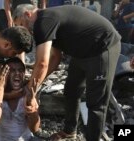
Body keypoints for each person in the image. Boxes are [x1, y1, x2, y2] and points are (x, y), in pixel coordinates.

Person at [13, 4, 121, 141]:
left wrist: (31, 88)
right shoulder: (47, 21)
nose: (24, 30)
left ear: (28, 14)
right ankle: (70, 131)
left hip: (102, 47)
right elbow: (55, 58)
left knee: (96, 102)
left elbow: (42, 63)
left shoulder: (43, 21)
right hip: (81, 53)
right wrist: (37, 81)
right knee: (71, 91)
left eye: (22, 24)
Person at [0, 57, 40, 141]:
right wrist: (0, 87)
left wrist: (32, 111)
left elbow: (35, 128)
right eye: (12, 70)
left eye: (21, 70)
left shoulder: (29, 93)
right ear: (3, 74)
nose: (17, 73)